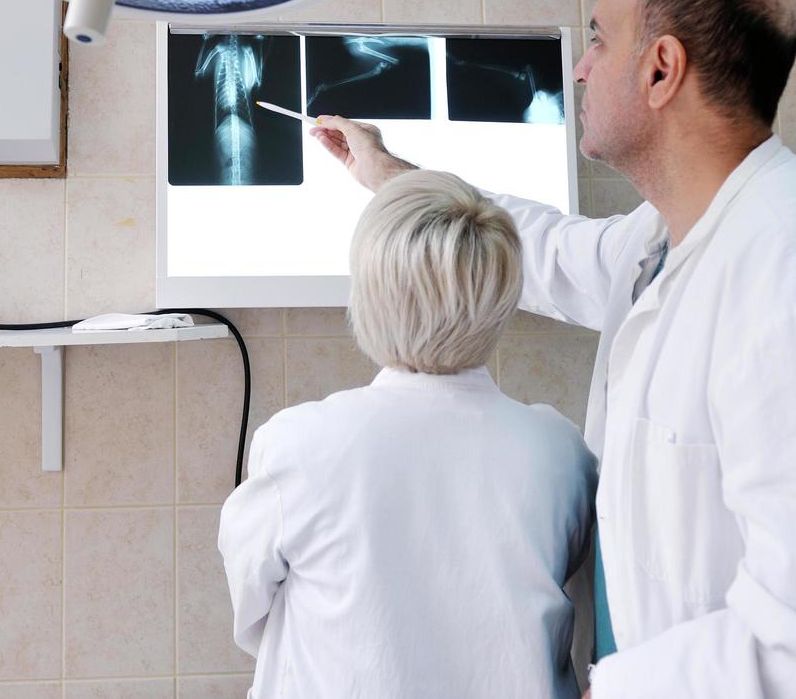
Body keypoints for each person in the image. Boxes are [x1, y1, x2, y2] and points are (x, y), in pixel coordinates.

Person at [311, 0, 796, 697]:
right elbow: (547, 250)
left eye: (597, 38)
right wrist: (389, 174)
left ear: (662, 69)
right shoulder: (668, 238)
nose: (580, 67)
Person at [218, 169, 598, 697]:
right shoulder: (561, 451)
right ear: (502, 297)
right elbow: (578, 617)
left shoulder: (299, 445)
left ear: (370, 294)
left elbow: (252, 611)